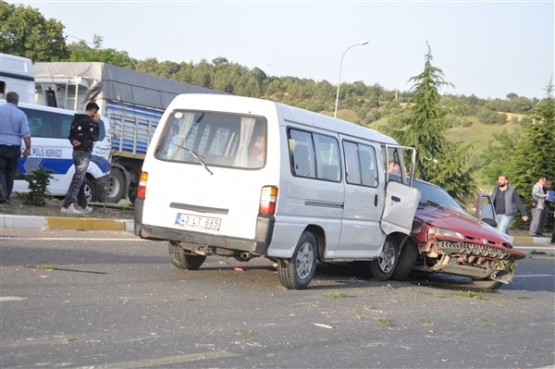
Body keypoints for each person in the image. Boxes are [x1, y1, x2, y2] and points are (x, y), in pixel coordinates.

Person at [61, 102, 100, 214]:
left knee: (82, 179)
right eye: (95, 112)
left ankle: (83, 205)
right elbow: (95, 137)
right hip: (84, 153)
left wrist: (73, 141)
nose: (95, 114)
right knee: (78, 178)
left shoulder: (76, 119)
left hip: (76, 152)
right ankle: (67, 204)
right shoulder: (90, 122)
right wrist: (96, 124)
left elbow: (71, 135)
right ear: (93, 110)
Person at [0, 92, 31, 204]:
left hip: (0, 147)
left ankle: (2, 196)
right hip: (14, 149)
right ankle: (6, 197)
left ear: (7, 99)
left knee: (1, 172)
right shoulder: (21, 114)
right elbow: (26, 134)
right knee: (10, 173)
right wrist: (28, 148)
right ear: (16, 101)